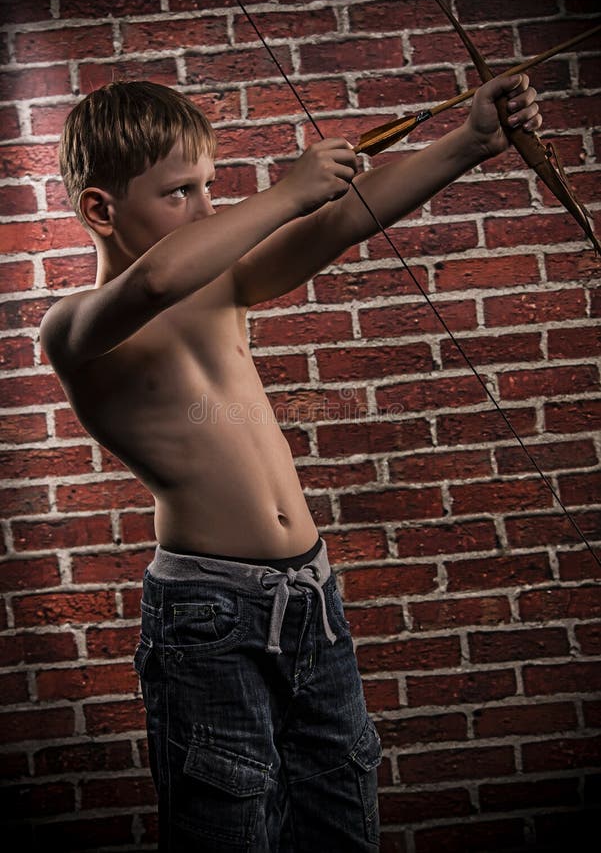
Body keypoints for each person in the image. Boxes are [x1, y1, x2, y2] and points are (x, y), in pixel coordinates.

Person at [39, 74, 541, 852]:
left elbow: (343, 216)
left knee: (341, 809)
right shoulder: (75, 326)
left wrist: (471, 140)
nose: (208, 208)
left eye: (211, 187)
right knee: (227, 828)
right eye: (180, 193)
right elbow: (157, 278)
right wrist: (283, 192)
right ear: (100, 210)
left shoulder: (224, 282)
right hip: (209, 618)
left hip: (310, 596)